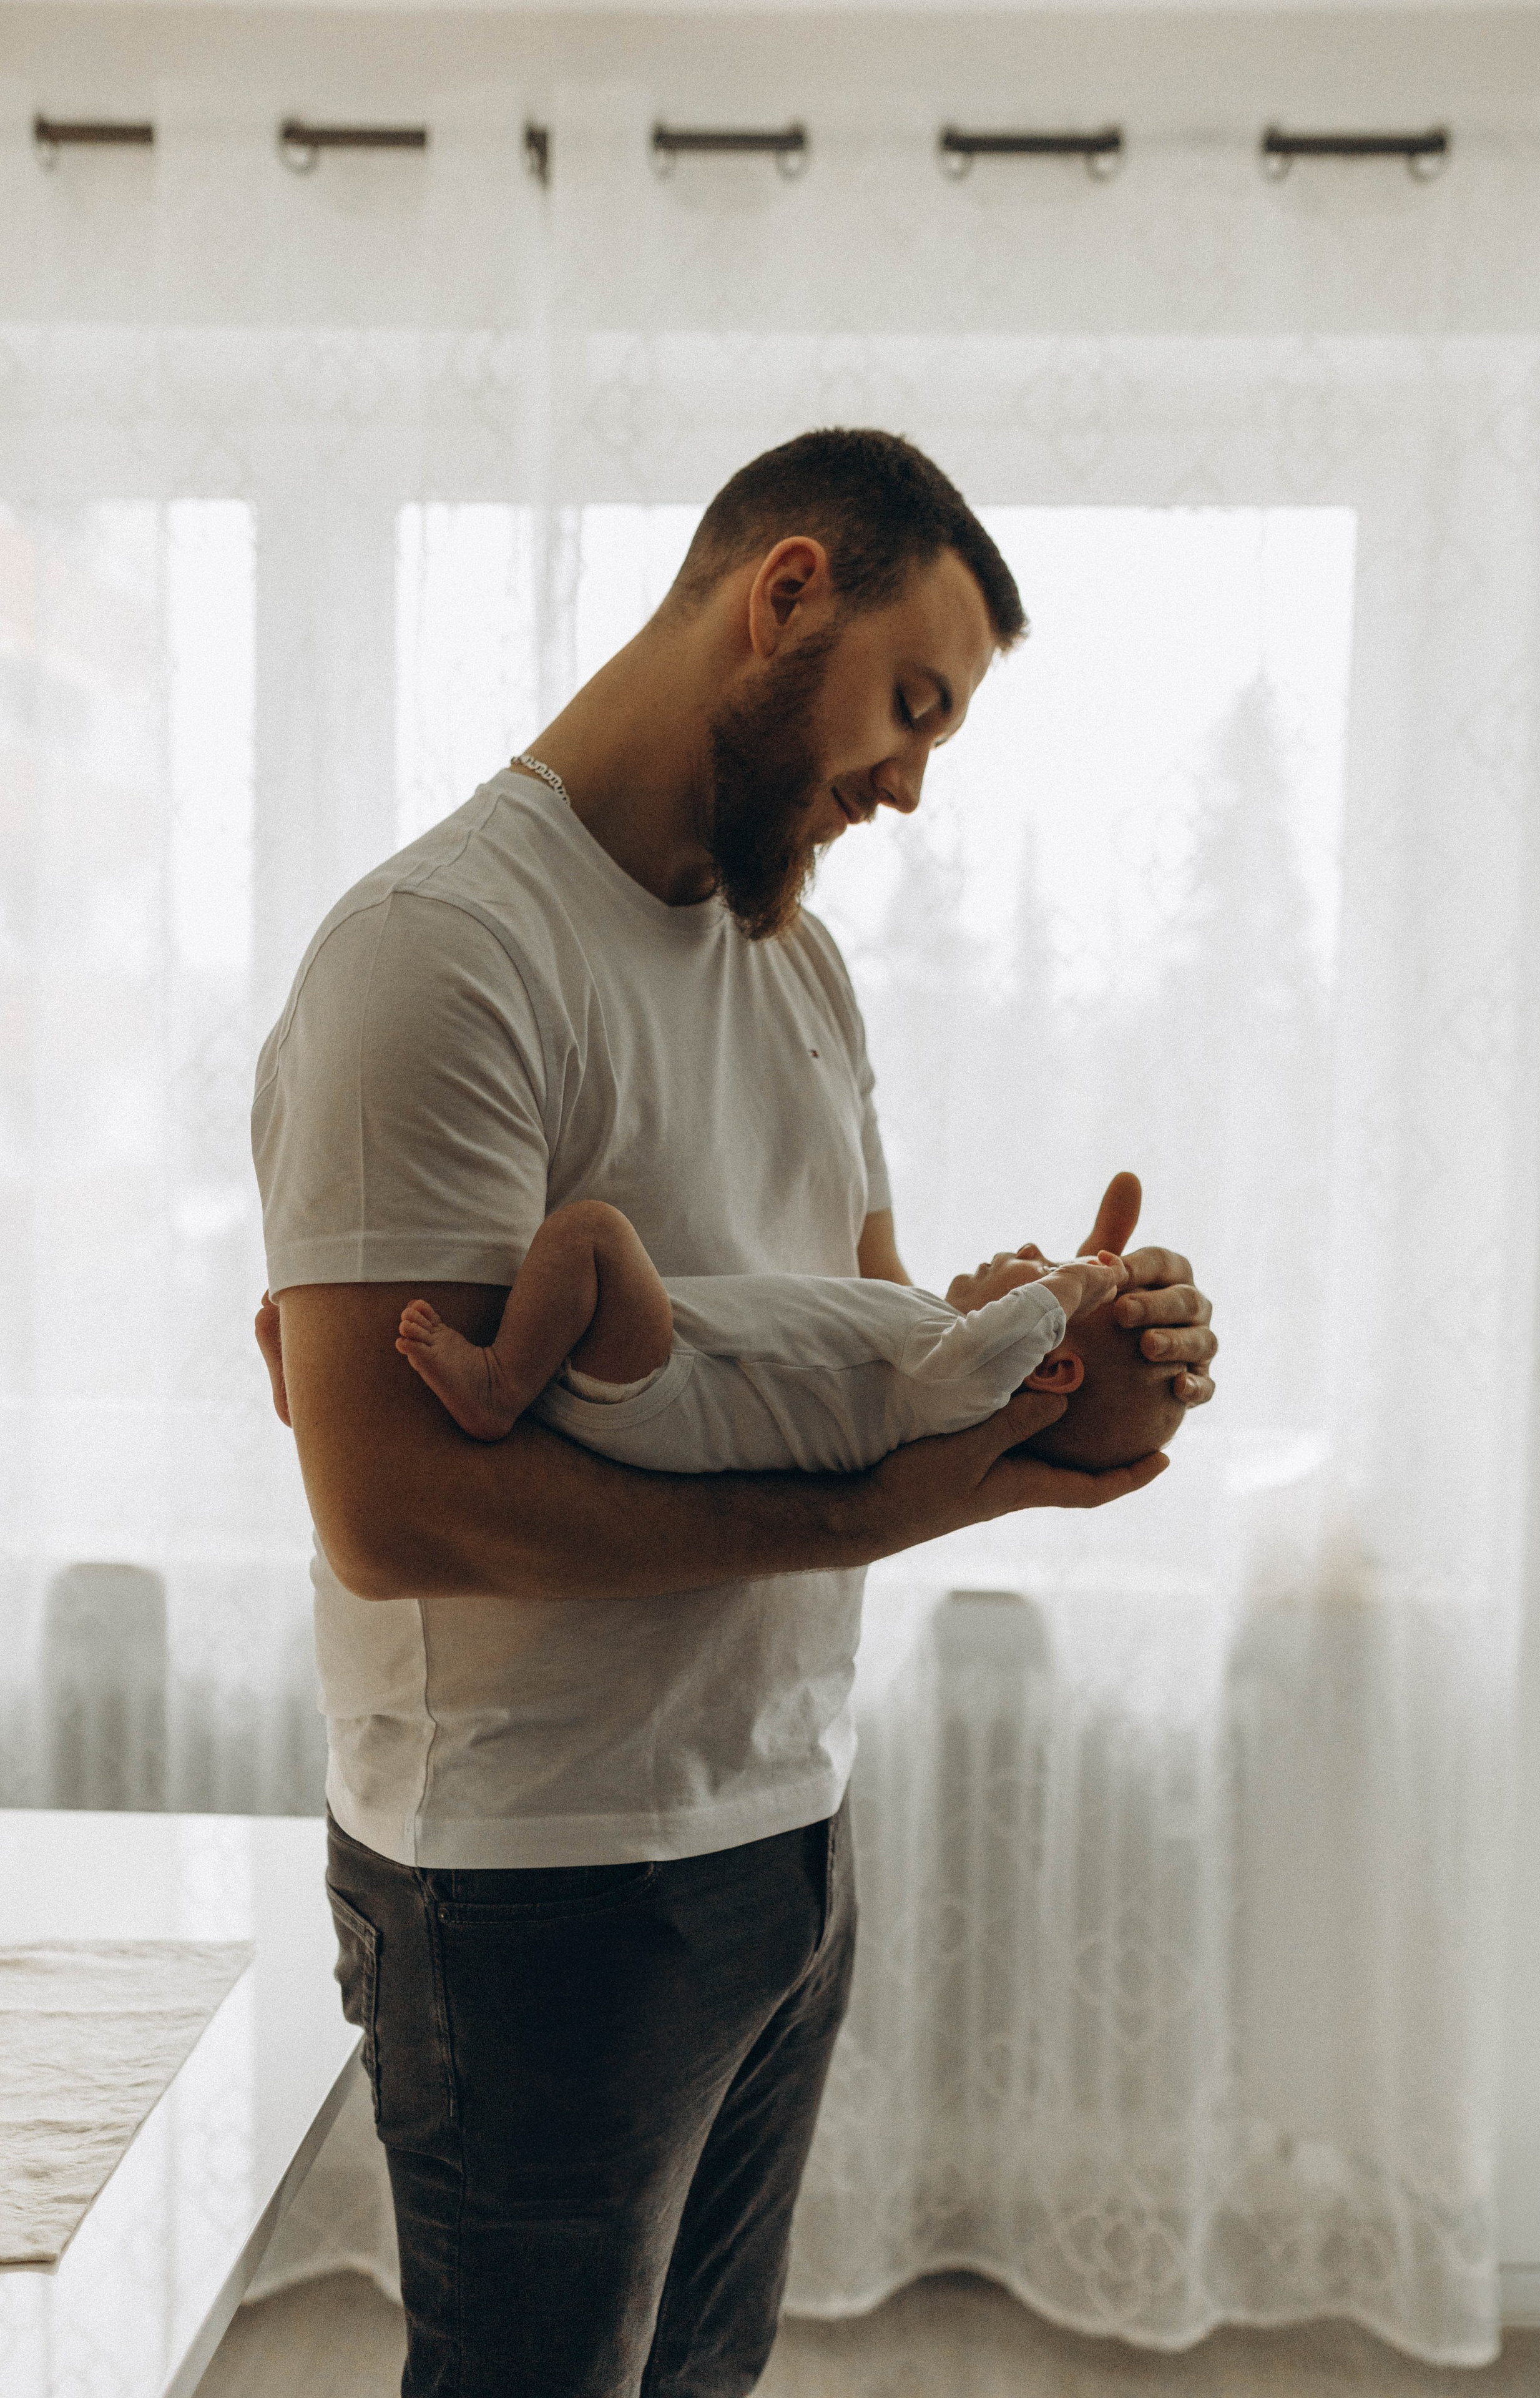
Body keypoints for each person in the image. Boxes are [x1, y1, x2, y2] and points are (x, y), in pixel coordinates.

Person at [252, 428, 1217, 2398]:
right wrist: (904, 1502)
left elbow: (835, 1350)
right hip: (533, 1885)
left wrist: (1054, 1341)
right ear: (783, 597)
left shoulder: (800, 966)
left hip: (783, 1829)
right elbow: (402, 1510)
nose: (912, 779)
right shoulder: (437, 956)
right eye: (908, 703)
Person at [383, 1200, 1186, 1475]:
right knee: (553, 1289)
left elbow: (986, 1348)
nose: (1025, 1254)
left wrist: (1070, 1286)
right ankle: (312, 1394)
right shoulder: (930, 1361)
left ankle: (498, 1387)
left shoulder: (962, 1384)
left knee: (590, 1234)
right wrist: (1059, 1290)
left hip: (667, 1384)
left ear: (1048, 1367)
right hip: (665, 1377)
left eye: (1038, 1269)